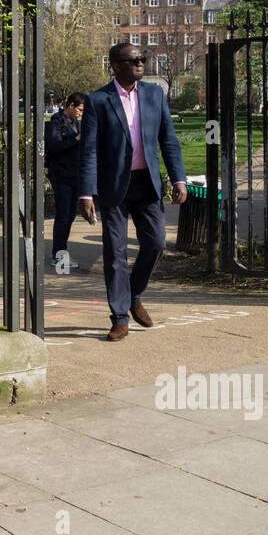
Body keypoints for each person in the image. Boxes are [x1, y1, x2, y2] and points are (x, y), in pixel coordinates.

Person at [78, 44, 187, 340]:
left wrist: (179, 178)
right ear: (115, 66)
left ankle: (134, 293)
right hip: (113, 186)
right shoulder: (98, 100)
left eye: (142, 59)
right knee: (115, 252)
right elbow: (88, 151)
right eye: (134, 60)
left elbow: (169, 140)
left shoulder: (154, 94)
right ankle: (120, 317)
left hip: (147, 183)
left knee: (156, 244)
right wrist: (86, 193)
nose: (140, 63)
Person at [45, 92, 86, 271]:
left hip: (73, 175)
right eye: (79, 109)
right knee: (63, 216)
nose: (80, 113)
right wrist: (77, 139)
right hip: (61, 175)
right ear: (70, 105)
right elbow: (54, 146)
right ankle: (58, 255)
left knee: (69, 216)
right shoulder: (56, 122)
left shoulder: (73, 123)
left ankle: (62, 253)